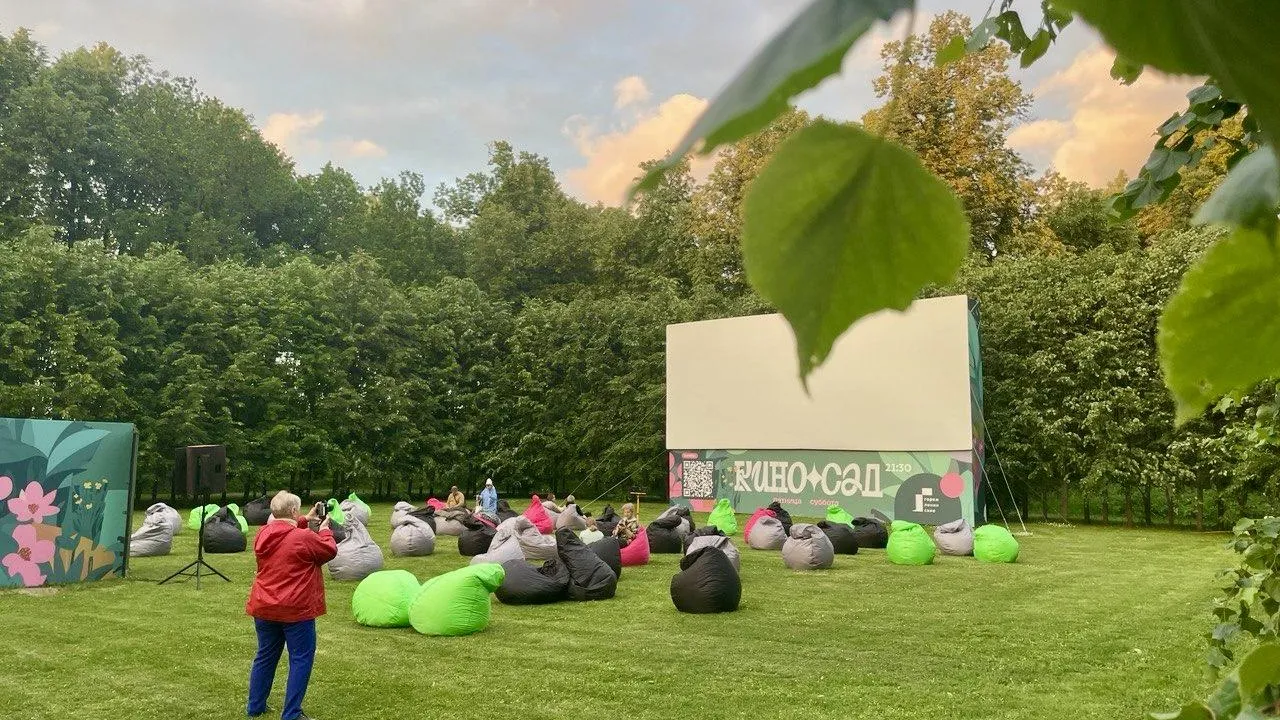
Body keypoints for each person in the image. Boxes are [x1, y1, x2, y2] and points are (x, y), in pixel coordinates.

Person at [245, 491, 337, 720]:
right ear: (293, 511)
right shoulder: (303, 538)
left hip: (264, 606)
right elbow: (329, 550)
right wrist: (325, 529)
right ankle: (292, 713)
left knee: (265, 655)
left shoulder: (262, 534)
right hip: (296, 609)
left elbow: (285, 528)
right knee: (300, 659)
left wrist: (306, 518)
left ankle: (255, 706)